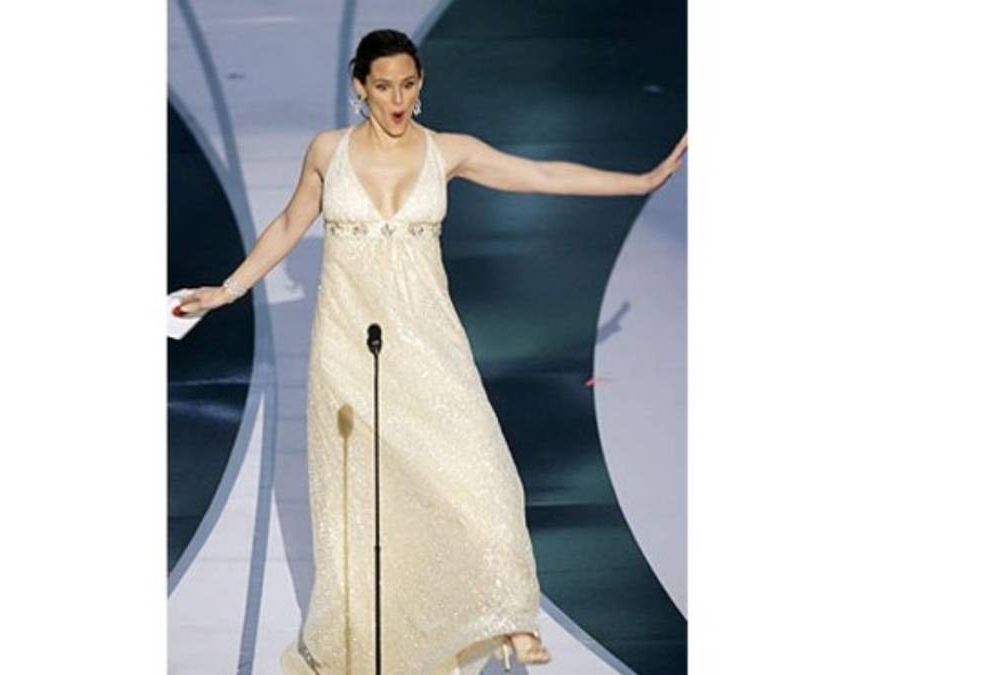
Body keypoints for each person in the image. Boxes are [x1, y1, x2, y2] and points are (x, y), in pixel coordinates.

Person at [175, 28, 685, 675]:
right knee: (365, 501)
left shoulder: (447, 150)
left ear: (420, 85)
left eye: (408, 85)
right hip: (349, 346)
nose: (397, 100)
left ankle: (507, 613)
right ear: (359, 87)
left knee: (484, 474)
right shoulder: (328, 152)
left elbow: (539, 173)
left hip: (429, 339)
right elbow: (288, 224)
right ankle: (379, 637)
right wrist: (228, 289)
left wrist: (639, 181)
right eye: (383, 86)